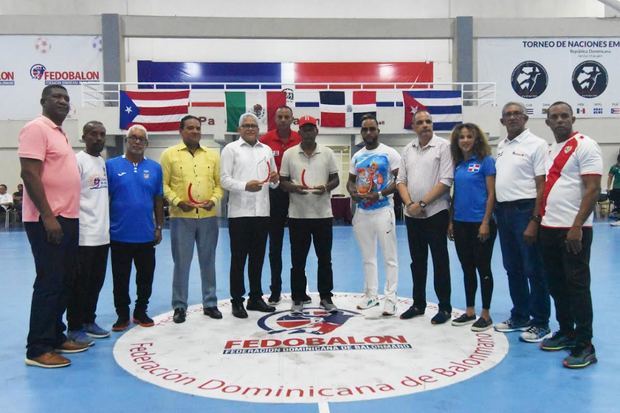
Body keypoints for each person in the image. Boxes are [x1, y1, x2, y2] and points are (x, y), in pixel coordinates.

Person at [19, 84, 88, 368]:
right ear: (43, 101)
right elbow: (29, 173)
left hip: (68, 218)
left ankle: (56, 336)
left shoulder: (59, 133)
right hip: (48, 219)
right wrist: (48, 216)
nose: (63, 101)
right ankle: (38, 348)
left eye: (66, 98)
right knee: (49, 282)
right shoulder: (36, 128)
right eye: (57, 97)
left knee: (64, 281)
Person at [538, 101, 602, 369]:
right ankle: (566, 330)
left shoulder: (586, 145)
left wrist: (577, 226)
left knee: (577, 286)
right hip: (548, 228)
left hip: (573, 230)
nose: (561, 120)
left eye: (565, 116)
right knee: (555, 284)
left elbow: (593, 188)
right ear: (548, 122)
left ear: (573, 118)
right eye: (555, 117)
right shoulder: (550, 149)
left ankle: (585, 344)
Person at [494, 102, 551, 343]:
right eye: (508, 114)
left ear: (525, 119)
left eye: (517, 114)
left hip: (525, 211)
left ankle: (541, 323)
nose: (513, 117)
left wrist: (535, 219)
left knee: (534, 269)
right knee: (512, 268)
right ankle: (520, 315)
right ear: (502, 121)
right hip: (503, 212)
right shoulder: (501, 146)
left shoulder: (537, 145)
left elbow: (542, 185)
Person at [161, 115, 224, 324]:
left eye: (197, 128)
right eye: (190, 128)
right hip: (181, 218)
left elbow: (219, 184)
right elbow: (164, 185)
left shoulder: (213, 155)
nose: (195, 131)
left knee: (208, 262)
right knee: (182, 263)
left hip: (208, 217)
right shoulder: (169, 155)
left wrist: (213, 200)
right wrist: (178, 202)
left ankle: (210, 303)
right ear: (181, 131)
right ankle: (179, 306)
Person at [396, 110, 453, 324]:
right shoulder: (407, 149)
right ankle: (418, 304)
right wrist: (410, 204)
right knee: (417, 262)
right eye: (420, 122)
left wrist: (422, 204)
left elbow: (446, 180)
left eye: (428, 121)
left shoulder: (444, 147)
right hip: (413, 216)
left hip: (436, 213)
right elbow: (401, 180)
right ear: (413, 127)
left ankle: (444, 307)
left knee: (440, 261)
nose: (425, 125)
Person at [279, 115, 340, 314]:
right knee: (298, 260)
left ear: (316, 131)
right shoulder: (289, 154)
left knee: (325, 259)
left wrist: (326, 187)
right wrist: (293, 188)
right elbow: (283, 181)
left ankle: (326, 296)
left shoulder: (328, 153)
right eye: (304, 129)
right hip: (298, 216)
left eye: (311, 128)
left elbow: (335, 179)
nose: (307, 132)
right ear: (299, 132)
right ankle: (297, 298)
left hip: (323, 215)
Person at [220, 113, 279, 318]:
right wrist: (245, 186)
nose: (250, 128)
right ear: (239, 129)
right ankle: (237, 301)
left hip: (262, 212)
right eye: (246, 125)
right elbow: (224, 180)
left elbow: (274, 181)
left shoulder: (267, 150)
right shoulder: (230, 149)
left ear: (259, 128)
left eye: (253, 125)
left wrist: (275, 179)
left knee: (258, 258)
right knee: (238, 259)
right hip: (239, 214)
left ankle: (255, 298)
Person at [106, 125, 164, 331]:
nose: (137, 142)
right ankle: (122, 315)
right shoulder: (111, 166)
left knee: (145, 277)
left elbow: (158, 200)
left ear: (147, 144)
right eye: (133, 138)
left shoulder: (155, 168)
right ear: (127, 140)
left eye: (141, 139)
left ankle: (141, 311)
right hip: (119, 234)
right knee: (120, 279)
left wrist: (159, 226)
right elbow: (105, 199)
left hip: (146, 235)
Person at [347, 114, 400, 316]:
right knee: (368, 257)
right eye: (365, 129)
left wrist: (379, 193)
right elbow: (350, 181)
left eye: (372, 129)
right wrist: (353, 193)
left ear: (378, 131)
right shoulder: (357, 156)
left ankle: (391, 298)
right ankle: (371, 295)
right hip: (362, 212)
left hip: (383, 210)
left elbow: (400, 180)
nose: (369, 132)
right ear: (361, 132)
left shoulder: (390, 153)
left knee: (389, 257)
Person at [447, 123, 497, 332]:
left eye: (469, 136)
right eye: (461, 137)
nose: (465, 140)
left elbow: (491, 194)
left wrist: (485, 222)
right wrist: (451, 222)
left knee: (482, 268)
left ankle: (485, 314)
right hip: (460, 224)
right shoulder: (458, 165)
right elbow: (455, 195)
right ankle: (469, 311)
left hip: (481, 224)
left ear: (477, 139)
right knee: (467, 268)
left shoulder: (486, 162)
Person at [66, 121, 111, 346]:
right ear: (83, 137)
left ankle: (88, 320)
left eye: (102, 134)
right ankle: (74, 326)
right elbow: (71, 197)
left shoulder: (102, 162)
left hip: (103, 235)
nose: (98, 138)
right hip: (84, 235)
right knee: (79, 284)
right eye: (93, 134)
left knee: (96, 282)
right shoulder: (77, 161)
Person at [259, 106, 304, 305]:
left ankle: (299, 291)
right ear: (275, 119)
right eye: (280, 117)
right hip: (274, 198)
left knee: (299, 246)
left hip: (297, 197)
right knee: (275, 247)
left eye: (287, 117)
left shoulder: (300, 138)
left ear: (292, 120)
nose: (284, 120)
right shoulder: (265, 140)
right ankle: (275, 290)